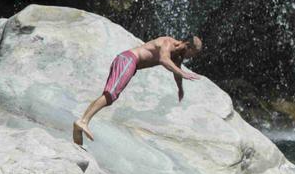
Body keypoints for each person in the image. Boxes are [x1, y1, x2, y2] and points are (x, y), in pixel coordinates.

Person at [73, 35, 203, 145]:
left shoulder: (177, 56)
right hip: (128, 59)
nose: (192, 57)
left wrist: (180, 88)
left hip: (130, 64)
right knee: (110, 95)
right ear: (187, 45)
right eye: (193, 53)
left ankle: (79, 127)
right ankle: (83, 121)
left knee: (110, 96)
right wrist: (183, 73)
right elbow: (163, 59)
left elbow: (176, 71)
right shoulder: (168, 43)